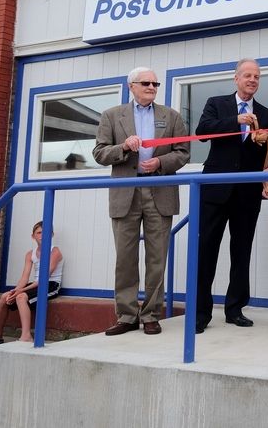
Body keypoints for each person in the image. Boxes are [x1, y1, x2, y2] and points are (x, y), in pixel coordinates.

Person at [93, 66, 190, 336]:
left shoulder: (171, 116)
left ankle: (151, 315)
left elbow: (183, 153)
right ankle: (126, 315)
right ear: (131, 86)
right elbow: (99, 153)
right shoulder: (111, 116)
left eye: (155, 84)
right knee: (125, 258)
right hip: (126, 192)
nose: (151, 87)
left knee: (157, 258)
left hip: (159, 191)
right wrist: (123, 147)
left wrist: (160, 161)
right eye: (146, 83)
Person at [194, 58, 268, 333]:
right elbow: (202, 133)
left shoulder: (265, 114)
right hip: (214, 190)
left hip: (247, 193)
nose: (252, 80)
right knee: (205, 251)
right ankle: (200, 313)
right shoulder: (217, 103)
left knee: (241, 252)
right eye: (247, 75)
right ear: (236, 78)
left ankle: (235, 309)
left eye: (257, 76)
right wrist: (235, 121)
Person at [0, 221, 63, 343]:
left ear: (52, 235)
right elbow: (24, 277)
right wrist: (16, 290)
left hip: (50, 284)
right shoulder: (30, 254)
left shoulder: (55, 252)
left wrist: (20, 291)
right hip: (35, 284)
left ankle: (26, 336)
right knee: (4, 297)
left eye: (46, 232)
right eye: (39, 232)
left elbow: (44, 278)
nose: (42, 235)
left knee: (21, 297)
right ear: (33, 236)